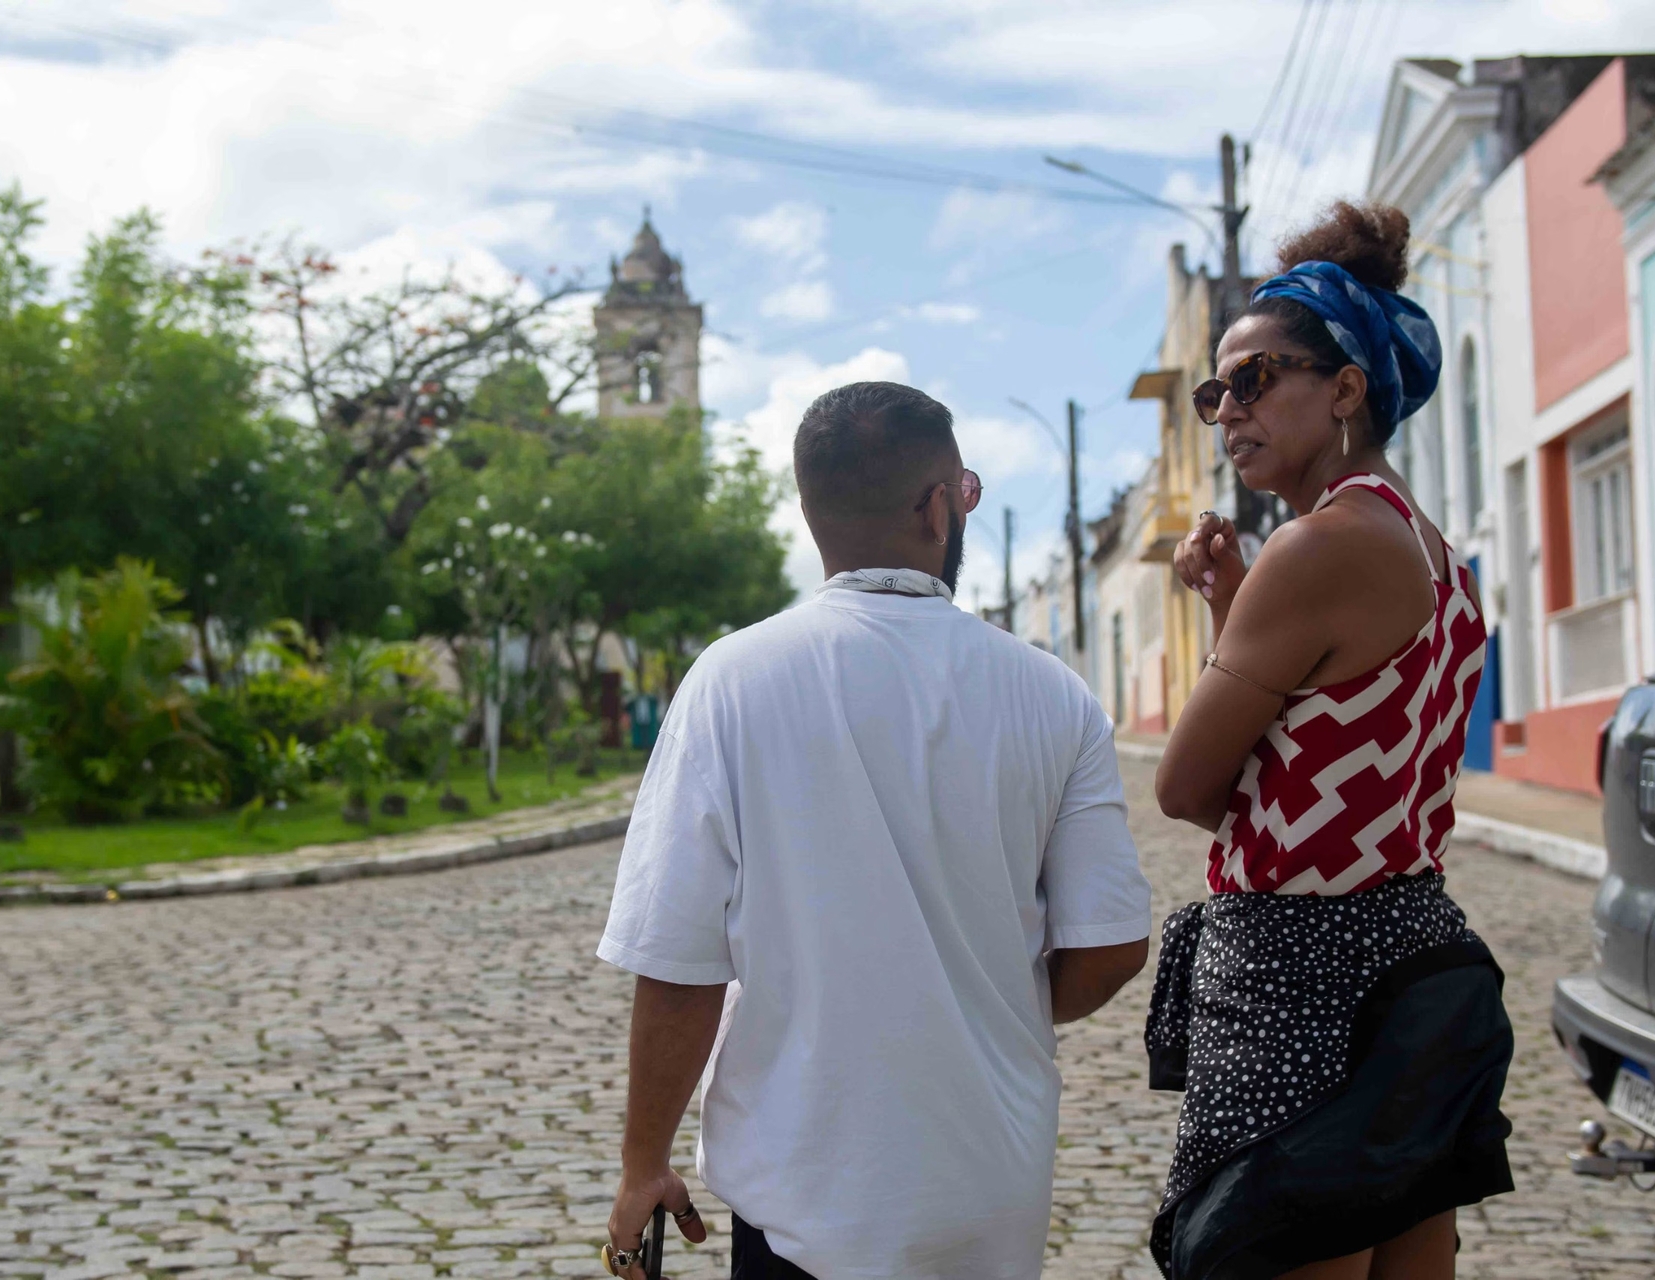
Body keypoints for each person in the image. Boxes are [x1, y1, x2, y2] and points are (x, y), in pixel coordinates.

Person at [594, 380, 1154, 1280]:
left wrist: (642, 1167)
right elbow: (1114, 945)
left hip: (802, 1199)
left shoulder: (731, 683)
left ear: (811, 512)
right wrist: (982, 1001)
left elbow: (678, 963)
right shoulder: (1055, 695)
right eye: (965, 492)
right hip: (991, 1189)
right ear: (937, 509)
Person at [1147, 201, 1514, 1280]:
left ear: (1347, 388)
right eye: (1216, 391)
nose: (1227, 410)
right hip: (1417, 968)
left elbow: (1186, 787)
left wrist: (1247, 610)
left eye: (1256, 379)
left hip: (1299, 984)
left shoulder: (1316, 546)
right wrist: (1235, 608)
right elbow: (1336, 755)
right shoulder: (1437, 555)